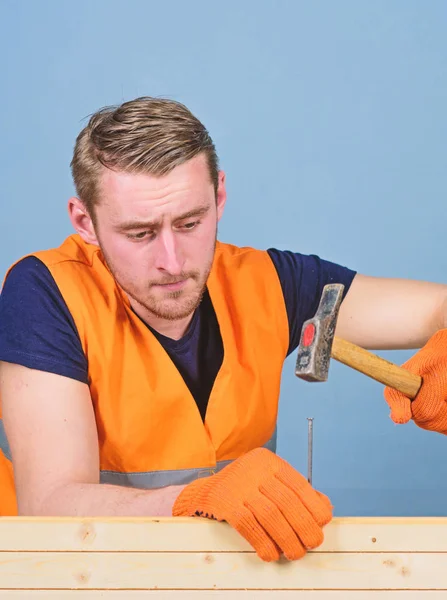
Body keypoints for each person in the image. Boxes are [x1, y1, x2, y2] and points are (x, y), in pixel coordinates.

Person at [0, 97, 446, 563]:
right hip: (79, 581)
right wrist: (194, 499)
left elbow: (438, 306)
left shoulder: (272, 285)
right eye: (139, 233)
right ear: (85, 222)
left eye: (191, 223)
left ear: (220, 195)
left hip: (224, 580)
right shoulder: (45, 294)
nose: (172, 261)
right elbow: (48, 505)